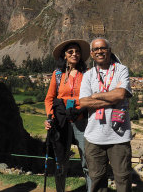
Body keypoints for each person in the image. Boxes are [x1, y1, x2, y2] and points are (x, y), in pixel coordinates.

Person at [79, 38, 132, 192]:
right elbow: (83, 103)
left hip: (119, 136)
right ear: (91, 54)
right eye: (96, 49)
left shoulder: (121, 69)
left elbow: (121, 94)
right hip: (94, 137)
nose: (99, 51)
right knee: (97, 179)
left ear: (109, 50)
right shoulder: (88, 75)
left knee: (123, 178)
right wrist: (112, 97)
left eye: (103, 48)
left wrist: (95, 95)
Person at [44, 39, 91, 192]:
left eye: (77, 52)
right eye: (70, 51)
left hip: (81, 121)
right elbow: (49, 98)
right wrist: (50, 117)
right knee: (61, 162)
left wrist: (80, 107)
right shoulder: (57, 75)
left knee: (87, 160)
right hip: (60, 122)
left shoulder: (87, 74)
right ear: (64, 55)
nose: (74, 54)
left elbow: (91, 97)